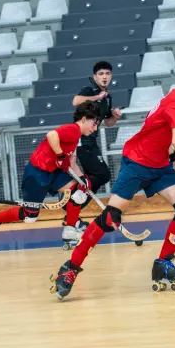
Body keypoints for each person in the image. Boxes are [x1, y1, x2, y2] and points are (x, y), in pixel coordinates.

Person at [50, 55, 175, 299]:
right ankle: (69, 269)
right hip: (137, 162)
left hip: (158, 164)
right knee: (110, 218)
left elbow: (160, 134)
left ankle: (163, 264)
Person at [0, 101, 103, 250]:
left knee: (78, 192)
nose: (95, 128)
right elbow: (51, 135)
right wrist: (60, 156)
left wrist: (83, 179)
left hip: (52, 173)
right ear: (84, 119)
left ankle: (70, 230)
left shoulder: (76, 136)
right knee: (29, 216)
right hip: (37, 173)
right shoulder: (73, 130)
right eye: (94, 124)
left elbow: (72, 162)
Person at [68, 61, 122, 228]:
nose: (104, 76)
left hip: (92, 142)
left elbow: (108, 123)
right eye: (101, 74)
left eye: (107, 73)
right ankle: (74, 205)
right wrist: (96, 97)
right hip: (82, 142)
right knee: (102, 175)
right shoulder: (89, 90)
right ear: (95, 77)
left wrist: (115, 117)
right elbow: (75, 101)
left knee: (98, 177)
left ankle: (74, 206)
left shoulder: (108, 98)